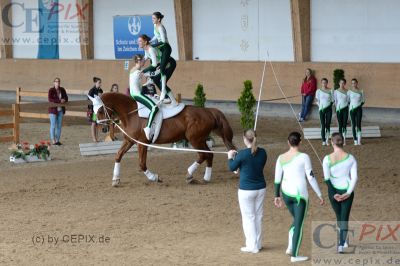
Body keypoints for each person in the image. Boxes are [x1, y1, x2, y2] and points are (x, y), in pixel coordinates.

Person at [274, 132, 324, 263]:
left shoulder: (281, 157)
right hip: (299, 196)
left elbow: (277, 178)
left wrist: (276, 196)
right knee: (299, 224)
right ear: (300, 142)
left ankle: (290, 247)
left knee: (296, 220)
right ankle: (295, 255)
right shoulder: (304, 157)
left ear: (288, 142)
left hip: (286, 194)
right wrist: (319, 193)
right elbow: (311, 177)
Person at [227, 129, 267, 254]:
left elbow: (232, 167)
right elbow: (252, 163)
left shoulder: (242, 154)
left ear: (245, 139)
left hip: (246, 190)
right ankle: (258, 244)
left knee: (248, 217)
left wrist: (230, 157)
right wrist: (237, 156)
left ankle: (252, 246)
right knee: (258, 216)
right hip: (260, 188)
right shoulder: (263, 152)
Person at [322, 132, 358, 253]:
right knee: (344, 218)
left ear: (332, 142)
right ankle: (342, 243)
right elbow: (354, 178)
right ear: (343, 142)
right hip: (347, 189)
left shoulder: (327, 159)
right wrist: (348, 192)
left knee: (339, 217)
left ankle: (342, 242)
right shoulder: (351, 158)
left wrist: (333, 194)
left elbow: (327, 179)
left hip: (333, 192)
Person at [138, 34, 178, 106]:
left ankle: (170, 99)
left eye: (140, 41)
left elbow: (154, 65)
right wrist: (138, 66)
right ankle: (171, 100)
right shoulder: (146, 49)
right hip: (163, 65)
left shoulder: (151, 49)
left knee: (159, 81)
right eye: (138, 41)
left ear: (145, 42)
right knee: (156, 79)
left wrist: (143, 71)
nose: (138, 42)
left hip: (170, 64)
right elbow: (145, 58)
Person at [129, 54, 159, 141]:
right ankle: (148, 128)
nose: (144, 62)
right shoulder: (139, 72)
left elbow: (143, 61)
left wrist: (148, 55)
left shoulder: (134, 69)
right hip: (137, 94)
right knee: (154, 108)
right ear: (138, 61)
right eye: (143, 61)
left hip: (135, 93)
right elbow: (152, 73)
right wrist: (161, 70)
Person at [150, 11, 175, 103]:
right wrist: (150, 40)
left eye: (154, 18)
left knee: (162, 68)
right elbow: (156, 36)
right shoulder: (154, 26)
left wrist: (153, 45)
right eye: (152, 18)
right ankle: (165, 93)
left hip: (166, 48)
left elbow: (163, 41)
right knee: (156, 64)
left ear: (159, 19)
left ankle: (163, 90)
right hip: (160, 48)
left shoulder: (160, 27)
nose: (152, 20)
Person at [48, 77, 68, 145]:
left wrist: (64, 99)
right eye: (56, 81)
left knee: (59, 126)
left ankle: (57, 140)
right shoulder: (51, 90)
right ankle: (53, 140)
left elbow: (66, 97)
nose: (58, 82)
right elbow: (50, 99)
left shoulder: (62, 89)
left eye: (59, 81)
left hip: (60, 110)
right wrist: (59, 101)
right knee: (53, 126)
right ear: (54, 82)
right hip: (53, 110)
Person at [315, 78, 334, 146]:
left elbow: (332, 100)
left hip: (329, 110)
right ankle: (323, 140)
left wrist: (329, 106)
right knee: (323, 125)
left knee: (328, 124)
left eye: (325, 82)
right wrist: (320, 107)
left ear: (327, 83)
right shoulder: (318, 91)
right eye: (323, 82)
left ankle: (327, 140)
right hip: (321, 110)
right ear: (321, 83)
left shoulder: (331, 90)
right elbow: (317, 101)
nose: (324, 84)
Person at [348, 79, 365, 145]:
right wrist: (352, 106)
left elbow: (363, 101)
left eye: (354, 83)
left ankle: (359, 140)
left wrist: (358, 106)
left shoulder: (361, 91)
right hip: (352, 109)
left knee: (358, 124)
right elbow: (348, 101)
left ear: (357, 83)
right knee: (353, 124)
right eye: (352, 83)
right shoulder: (349, 91)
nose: (353, 84)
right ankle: (355, 140)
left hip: (359, 109)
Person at [333, 78, 349, 145]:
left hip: (345, 109)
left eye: (343, 83)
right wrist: (336, 110)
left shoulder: (348, 91)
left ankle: (344, 139)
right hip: (339, 110)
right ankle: (340, 139)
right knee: (340, 125)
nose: (342, 84)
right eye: (341, 83)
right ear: (339, 83)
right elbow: (335, 102)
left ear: (345, 84)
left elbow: (348, 101)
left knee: (344, 124)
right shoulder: (336, 91)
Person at [88, 77, 103, 142]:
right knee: (94, 123)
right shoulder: (91, 90)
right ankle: (94, 138)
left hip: (99, 110)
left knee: (97, 123)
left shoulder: (100, 90)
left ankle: (96, 138)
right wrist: (91, 110)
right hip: (94, 110)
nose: (100, 84)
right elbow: (89, 100)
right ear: (95, 83)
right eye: (99, 83)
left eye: (100, 83)